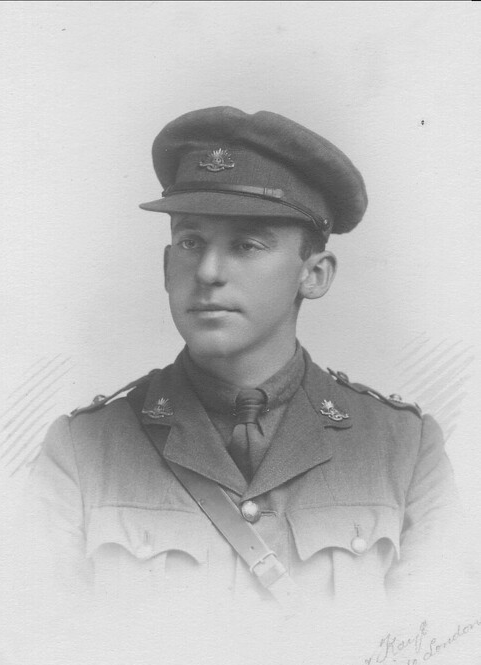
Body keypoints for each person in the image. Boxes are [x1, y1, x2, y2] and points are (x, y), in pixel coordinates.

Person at [23, 106, 462, 619]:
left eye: (247, 245)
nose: (208, 272)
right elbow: (43, 646)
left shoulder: (403, 451)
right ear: (166, 266)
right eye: (190, 242)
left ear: (314, 275)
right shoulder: (82, 452)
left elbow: (434, 652)